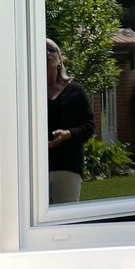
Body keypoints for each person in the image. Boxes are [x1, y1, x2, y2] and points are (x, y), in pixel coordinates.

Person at [46, 38, 95, 204]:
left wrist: (68, 134)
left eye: (51, 50)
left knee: (64, 218)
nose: (47, 53)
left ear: (60, 60)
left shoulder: (75, 91)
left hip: (67, 165)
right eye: (42, 50)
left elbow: (89, 126)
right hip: (35, 167)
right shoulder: (28, 91)